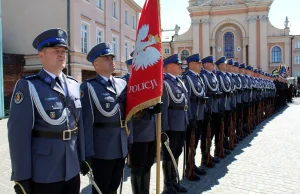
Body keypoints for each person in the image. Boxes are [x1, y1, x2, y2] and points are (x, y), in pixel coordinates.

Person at [7, 28, 85, 194]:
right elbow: (18, 136)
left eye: (63, 51)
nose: (61, 55)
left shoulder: (73, 85)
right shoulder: (28, 86)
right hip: (44, 171)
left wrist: (83, 157)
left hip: (71, 167)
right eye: (56, 51)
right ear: (41, 55)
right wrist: (21, 176)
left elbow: (80, 125)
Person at [80, 42, 129, 194]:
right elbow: (85, 123)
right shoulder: (88, 87)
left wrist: (129, 140)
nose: (111, 60)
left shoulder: (122, 84)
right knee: (101, 188)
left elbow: (129, 113)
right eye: (106, 58)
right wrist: (87, 154)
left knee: (114, 185)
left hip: (121, 145)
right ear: (96, 63)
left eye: (111, 57)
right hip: (102, 149)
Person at [122, 59, 163, 194]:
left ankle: (145, 191)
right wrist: (149, 111)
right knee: (138, 167)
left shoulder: (150, 81)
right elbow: (128, 110)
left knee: (148, 165)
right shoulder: (126, 82)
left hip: (151, 131)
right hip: (138, 134)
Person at [161, 54, 188, 193]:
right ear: (170, 66)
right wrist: (164, 130)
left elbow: (185, 104)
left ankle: (174, 180)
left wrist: (187, 121)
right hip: (171, 126)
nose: (180, 66)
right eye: (178, 64)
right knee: (169, 155)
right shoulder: (165, 83)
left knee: (176, 152)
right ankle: (168, 184)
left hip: (181, 123)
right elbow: (164, 108)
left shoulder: (179, 82)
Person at [181, 53, 207, 181]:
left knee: (195, 143)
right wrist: (190, 118)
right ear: (191, 64)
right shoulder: (187, 78)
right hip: (193, 116)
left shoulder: (198, 78)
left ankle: (193, 164)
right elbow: (186, 99)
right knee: (190, 144)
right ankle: (188, 167)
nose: (200, 65)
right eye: (198, 63)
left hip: (199, 115)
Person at [200, 56, 223, 162]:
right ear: (205, 64)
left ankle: (210, 153)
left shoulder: (212, 75)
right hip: (208, 109)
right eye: (211, 63)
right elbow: (203, 93)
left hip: (215, 108)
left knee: (213, 131)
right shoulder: (203, 76)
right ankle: (205, 156)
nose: (213, 64)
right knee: (206, 134)